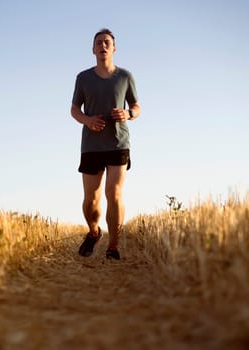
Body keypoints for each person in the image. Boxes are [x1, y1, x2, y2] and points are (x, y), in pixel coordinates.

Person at [70, 28, 141, 260]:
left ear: (114, 48)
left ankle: (113, 246)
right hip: (91, 145)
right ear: (93, 49)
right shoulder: (83, 78)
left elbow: (137, 107)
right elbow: (74, 110)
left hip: (118, 142)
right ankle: (94, 232)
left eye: (107, 42)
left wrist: (128, 114)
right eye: (99, 42)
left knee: (115, 193)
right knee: (91, 199)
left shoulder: (125, 77)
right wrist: (87, 120)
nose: (103, 46)